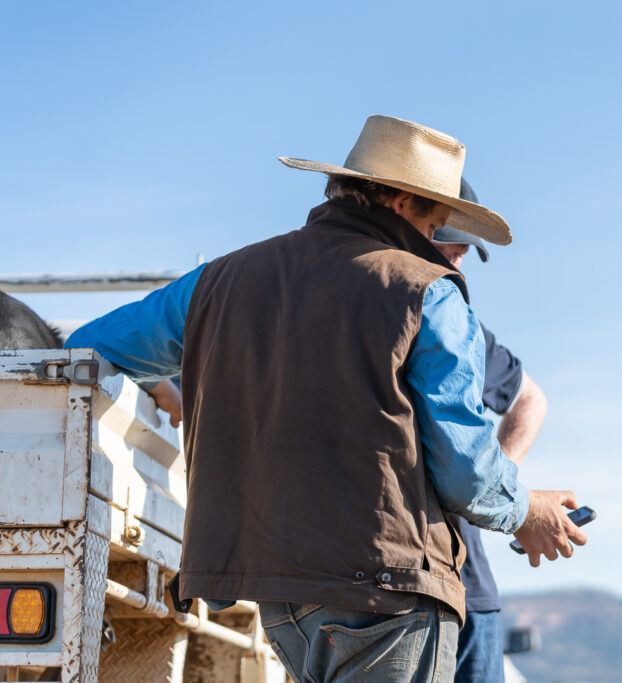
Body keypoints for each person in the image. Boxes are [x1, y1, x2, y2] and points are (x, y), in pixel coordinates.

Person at [65, 115, 586, 683]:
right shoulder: (429, 293)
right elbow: (466, 470)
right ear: (403, 203)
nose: (437, 246)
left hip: (275, 592)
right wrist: (526, 510)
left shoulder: (217, 280)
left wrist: (170, 395)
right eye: (435, 224)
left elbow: (89, 349)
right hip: (386, 585)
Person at [432, 182, 548, 682]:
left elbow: (530, 400)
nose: (457, 263)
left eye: (462, 253)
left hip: (466, 584)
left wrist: (496, 478)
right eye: (449, 248)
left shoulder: (465, 330)